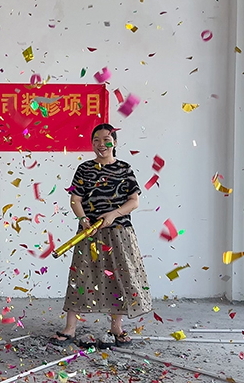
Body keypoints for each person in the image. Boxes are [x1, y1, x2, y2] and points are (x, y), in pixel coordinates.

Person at [51, 123, 152, 347]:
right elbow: (75, 199)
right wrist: (83, 220)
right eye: (96, 140)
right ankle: (70, 328)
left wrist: (113, 214)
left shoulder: (124, 169)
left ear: (114, 142)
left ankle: (116, 327)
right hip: (89, 232)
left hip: (119, 232)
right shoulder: (84, 169)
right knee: (80, 277)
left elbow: (134, 201)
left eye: (106, 140)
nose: (101, 144)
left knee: (119, 278)